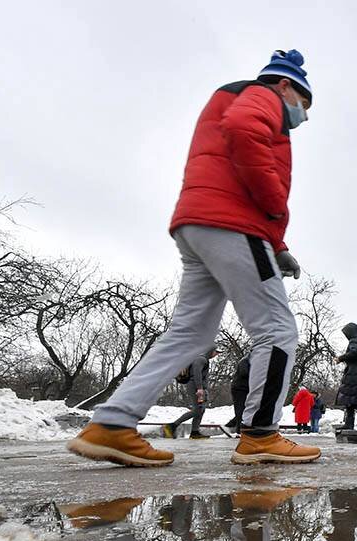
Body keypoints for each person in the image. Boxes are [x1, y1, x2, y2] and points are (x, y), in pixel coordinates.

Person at [66, 49, 321, 467]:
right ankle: (260, 435)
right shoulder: (263, 96)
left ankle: (112, 424)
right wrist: (277, 210)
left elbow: (228, 156)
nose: (302, 116)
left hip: (197, 225)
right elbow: (243, 132)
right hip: (235, 225)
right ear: (286, 85)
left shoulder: (231, 97)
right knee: (276, 329)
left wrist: (277, 246)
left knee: (189, 334)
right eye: (303, 104)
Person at [163, 347, 218, 440]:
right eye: (216, 352)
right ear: (211, 351)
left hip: (199, 387)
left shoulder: (203, 359)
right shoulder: (201, 359)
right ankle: (171, 426)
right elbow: (197, 374)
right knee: (197, 410)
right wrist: (200, 388)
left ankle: (195, 432)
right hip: (196, 387)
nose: (217, 354)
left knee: (201, 410)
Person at [227, 353, 252, 435]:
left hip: (245, 388)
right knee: (240, 409)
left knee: (245, 408)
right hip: (239, 389)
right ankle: (239, 431)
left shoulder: (249, 361)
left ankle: (230, 425)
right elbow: (244, 373)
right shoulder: (245, 361)